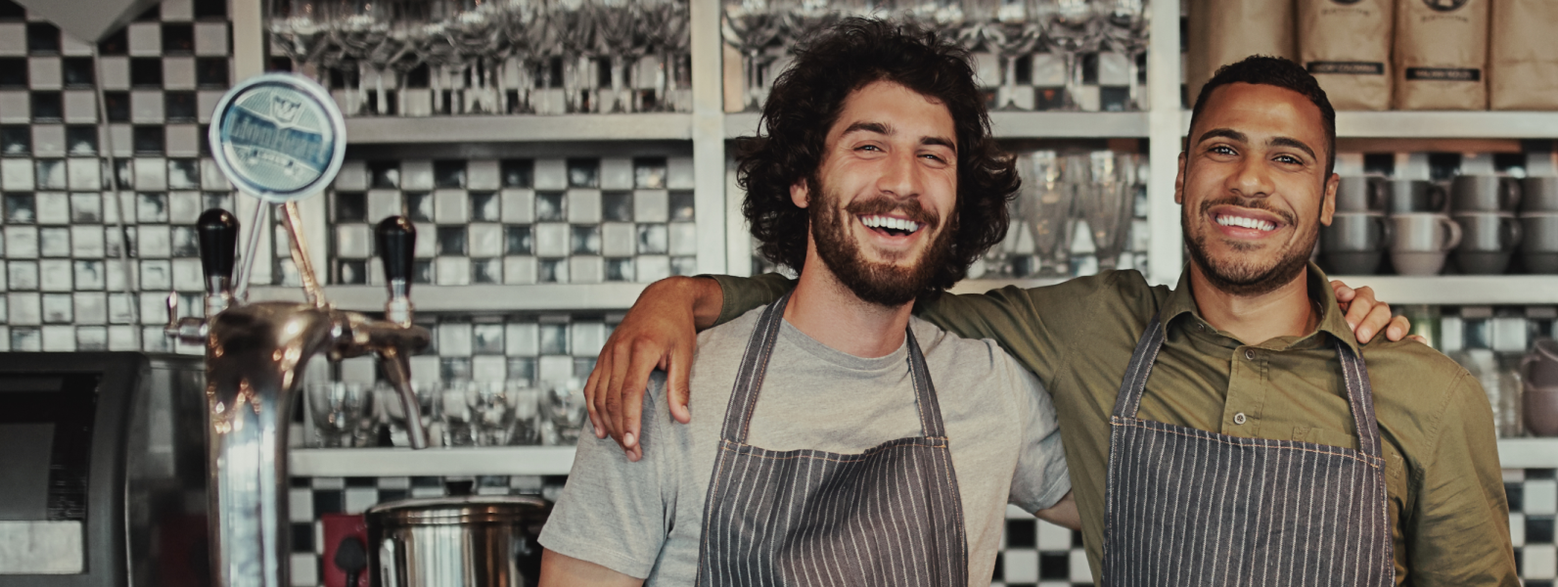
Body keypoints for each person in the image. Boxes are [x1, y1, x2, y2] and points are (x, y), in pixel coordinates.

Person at [586, 56, 1518, 585]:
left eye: (1288, 159)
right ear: (1182, 174)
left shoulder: (1427, 393)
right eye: (1223, 150)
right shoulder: (1095, 330)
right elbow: (876, 289)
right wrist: (686, 297)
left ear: (1327, 199)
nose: (1249, 180)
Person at [538, 19, 1078, 586]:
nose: (903, 181)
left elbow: (1142, 514)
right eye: (869, 146)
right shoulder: (667, 390)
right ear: (803, 181)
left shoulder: (991, 389)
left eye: (933, 156)